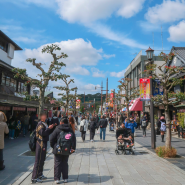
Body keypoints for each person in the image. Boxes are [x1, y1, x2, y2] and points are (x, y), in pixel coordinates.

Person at [50, 118, 76, 184]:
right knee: (65, 163)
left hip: (58, 149)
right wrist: (73, 148)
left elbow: (51, 139)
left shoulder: (57, 129)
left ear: (61, 122)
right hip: (66, 149)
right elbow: (73, 139)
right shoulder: (70, 129)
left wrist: (54, 146)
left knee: (57, 163)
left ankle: (57, 179)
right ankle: (65, 178)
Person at [31, 113, 56, 184]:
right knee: (38, 160)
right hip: (40, 144)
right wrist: (49, 128)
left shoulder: (44, 124)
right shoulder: (40, 124)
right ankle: (34, 177)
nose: (46, 117)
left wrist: (51, 127)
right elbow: (43, 133)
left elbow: (47, 132)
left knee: (42, 159)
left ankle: (39, 174)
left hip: (43, 143)